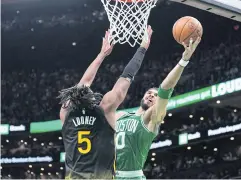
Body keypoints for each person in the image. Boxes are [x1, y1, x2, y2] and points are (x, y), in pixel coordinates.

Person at [58, 26, 153, 179]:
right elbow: (126, 77)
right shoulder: (105, 110)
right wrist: (142, 49)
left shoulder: (66, 112)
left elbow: (84, 83)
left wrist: (101, 55)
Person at [115, 37, 202, 179]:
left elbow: (165, 89)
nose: (151, 95)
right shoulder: (121, 116)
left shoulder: (151, 119)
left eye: (155, 95)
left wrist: (183, 61)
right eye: (148, 92)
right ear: (143, 96)